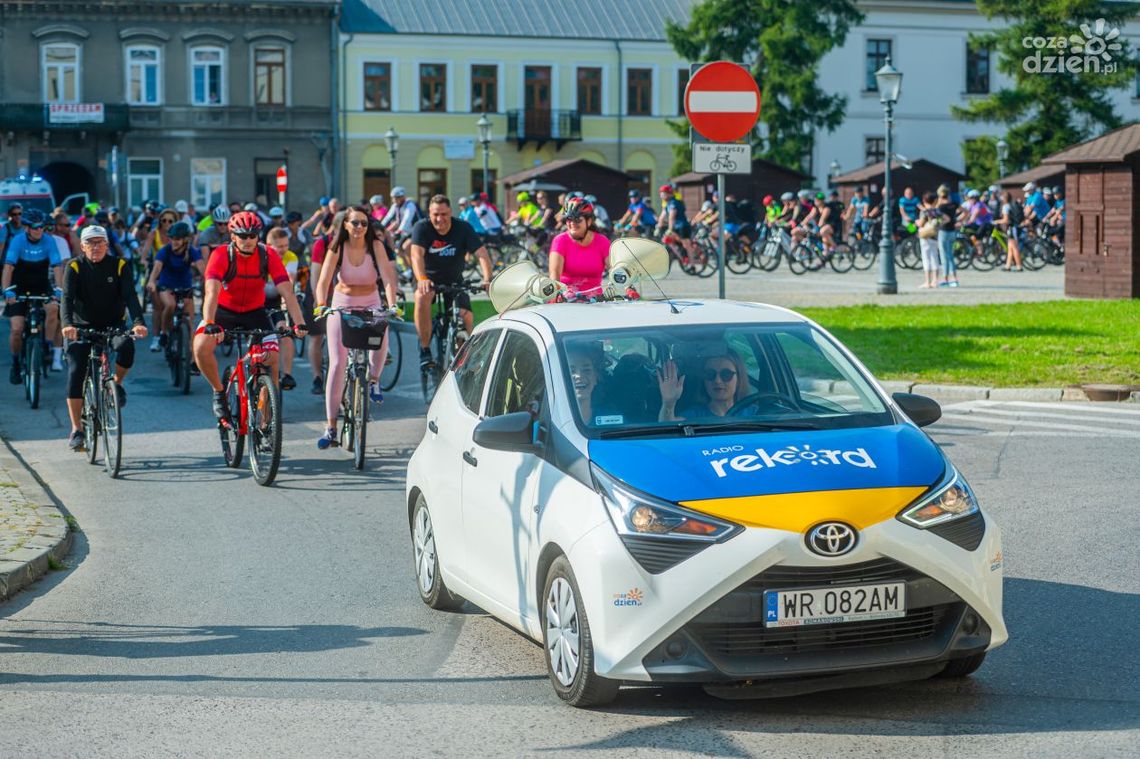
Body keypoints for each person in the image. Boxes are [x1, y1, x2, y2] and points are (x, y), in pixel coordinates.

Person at [193, 211, 307, 423]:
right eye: (242, 236)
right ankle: (219, 392)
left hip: (255, 313)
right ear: (232, 236)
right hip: (223, 312)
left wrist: (298, 323)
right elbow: (211, 292)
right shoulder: (220, 254)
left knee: (272, 360)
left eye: (252, 236)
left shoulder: (268, 254)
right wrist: (209, 322)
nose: (247, 240)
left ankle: (266, 420)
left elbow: (287, 292)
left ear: (258, 236)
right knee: (200, 347)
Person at [311, 206, 401, 448]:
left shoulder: (376, 246)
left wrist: (392, 305)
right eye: (355, 223)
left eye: (364, 223)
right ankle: (331, 428)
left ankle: (373, 380)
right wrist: (321, 304)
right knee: (338, 363)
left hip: (371, 302)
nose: (360, 227)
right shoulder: (337, 247)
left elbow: (388, 278)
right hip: (342, 304)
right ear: (346, 225)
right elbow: (324, 280)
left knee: (382, 335)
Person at [60, 225, 148, 450]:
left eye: (100, 242)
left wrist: (138, 322)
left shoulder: (119, 265)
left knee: (126, 346)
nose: (95, 247)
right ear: (82, 246)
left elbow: (130, 297)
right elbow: (67, 299)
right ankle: (76, 428)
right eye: (90, 242)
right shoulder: (75, 266)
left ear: (107, 245)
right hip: (80, 327)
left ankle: (116, 383)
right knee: (76, 370)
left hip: (113, 325)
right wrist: (67, 324)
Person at [410, 195, 492, 369]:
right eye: (435, 214)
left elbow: (482, 254)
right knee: (422, 296)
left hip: (454, 280)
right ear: (429, 214)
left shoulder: (463, 228)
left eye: (444, 214)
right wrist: (422, 278)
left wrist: (487, 279)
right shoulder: (422, 227)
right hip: (427, 279)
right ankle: (425, 349)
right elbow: (416, 255)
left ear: (451, 212)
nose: (440, 219)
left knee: (466, 315)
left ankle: (470, 357)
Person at [3, 209, 64, 379]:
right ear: (27, 228)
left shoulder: (49, 240)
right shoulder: (18, 240)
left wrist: (59, 289)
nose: (39, 230)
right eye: (35, 227)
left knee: (53, 309)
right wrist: (7, 290)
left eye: (42, 227)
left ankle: (46, 345)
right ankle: (16, 363)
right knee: (16, 329)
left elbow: (57, 267)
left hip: (41, 285)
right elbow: (8, 267)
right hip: (18, 287)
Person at [146, 221, 204, 351]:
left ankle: (192, 361)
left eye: (177, 239)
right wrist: (151, 281)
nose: (174, 241)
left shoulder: (192, 251)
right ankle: (164, 333)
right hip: (167, 286)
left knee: (190, 323)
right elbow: (157, 268)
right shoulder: (165, 251)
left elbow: (201, 267)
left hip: (185, 287)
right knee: (170, 305)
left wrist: (208, 279)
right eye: (171, 238)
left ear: (185, 239)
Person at [657, 351, 752, 421]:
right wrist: (669, 403)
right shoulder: (695, 415)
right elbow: (666, 429)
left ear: (739, 378)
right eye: (710, 374)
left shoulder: (756, 413)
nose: (717, 381)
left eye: (726, 374)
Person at [548, 198, 609, 297]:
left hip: (595, 302)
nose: (572, 223)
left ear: (588, 221)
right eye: (569, 219)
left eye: (577, 219)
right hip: (566, 299)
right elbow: (554, 273)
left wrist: (628, 288)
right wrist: (556, 294)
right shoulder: (560, 241)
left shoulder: (602, 242)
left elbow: (616, 270)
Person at [264, 227, 300, 391]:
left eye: (285, 245)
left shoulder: (291, 257)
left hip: (276, 299)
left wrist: (288, 302)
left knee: (285, 333)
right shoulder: (261, 257)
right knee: (260, 335)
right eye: (279, 246)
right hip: (257, 299)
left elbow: (289, 281)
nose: (283, 250)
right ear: (268, 245)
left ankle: (287, 374)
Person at [935, 185, 960, 287]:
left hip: (944, 231)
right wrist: (959, 221)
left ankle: (945, 279)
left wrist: (938, 202)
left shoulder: (941, 207)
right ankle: (954, 278)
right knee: (951, 255)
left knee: (944, 256)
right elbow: (966, 212)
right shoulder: (954, 204)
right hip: (953, 231)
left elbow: (935, 212)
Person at [918, 192, 941, 288]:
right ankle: (935, 281)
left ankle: (928, 282)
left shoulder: (924, 212)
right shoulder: (937, 211)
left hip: (925, 237)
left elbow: (921, 224)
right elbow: (943, 220)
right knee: (935, 257)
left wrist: (917, 222)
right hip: (935, 236)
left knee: (926, 258)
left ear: (924, 201)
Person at [996, 191, 1023, 271]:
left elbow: (1006, 220)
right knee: (1010, 248)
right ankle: (1008, 265)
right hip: (1014, 227)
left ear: (1004, 198)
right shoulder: (1011, 205)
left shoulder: (1006, 207)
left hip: (1011, 228)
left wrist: (997, 221)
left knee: (1014, 248)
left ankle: (1019, 266)